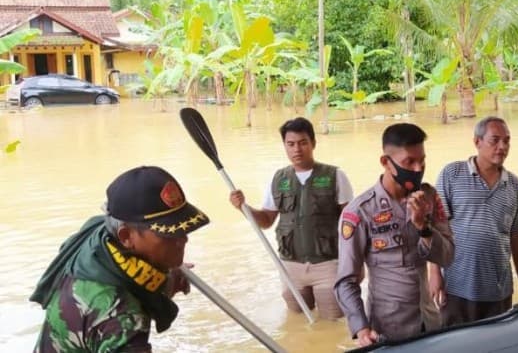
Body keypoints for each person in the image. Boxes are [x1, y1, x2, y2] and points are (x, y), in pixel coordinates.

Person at [31, 166, 209, 352]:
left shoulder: (98, 236)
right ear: (126, 236)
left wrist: (165, 279)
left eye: (182, 230)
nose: (183, 239)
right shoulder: (121, 319)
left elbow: (132, 274)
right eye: (167, 234)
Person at [335, 123, 455, 347]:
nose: (418, 168)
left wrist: (424, 228)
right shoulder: (360, 212)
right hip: (387, 330)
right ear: (385, 162)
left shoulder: (429, 197)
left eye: (422, 160)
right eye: (409, 162)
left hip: (429, 323)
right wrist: (361, 328)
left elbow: (447, 256)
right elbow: (346, 281)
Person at [229, 117, 353, 320]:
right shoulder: (278, 179)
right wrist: (243, 208)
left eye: (303, 143)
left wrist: (354, 264)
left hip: (328, 264)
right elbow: (267, 220)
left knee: (332, 321)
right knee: (297, 320)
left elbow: (351, 224)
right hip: (290, 266)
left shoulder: (335, 175)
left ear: (313, 143)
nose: (297, 149)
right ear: (285, 146)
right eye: (291, 144)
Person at [429, 116, 518, 326]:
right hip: (456, 287)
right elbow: (436, 227)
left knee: (496, 345)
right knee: (456, 344)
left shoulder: (514, 185)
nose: (502, 147)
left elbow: (517, 237)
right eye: (494, 140)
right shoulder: (452, 174)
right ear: (477, 142)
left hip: (498, 290)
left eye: (506, 141)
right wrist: (434, 274)